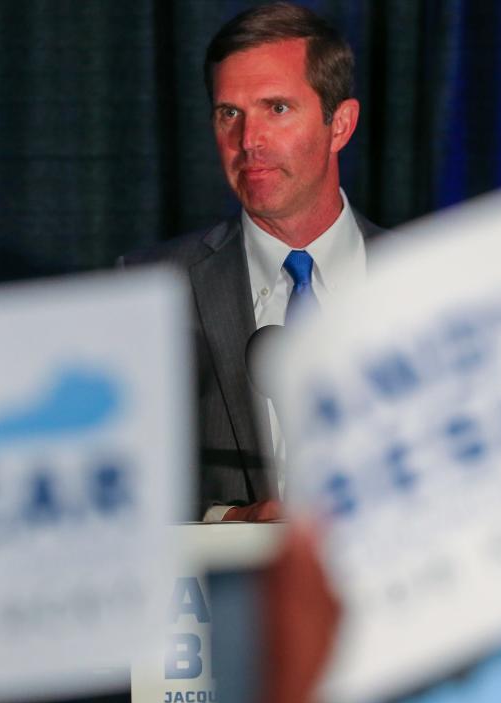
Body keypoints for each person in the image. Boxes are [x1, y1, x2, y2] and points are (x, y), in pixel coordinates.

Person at [121, 2, 382, 522]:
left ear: (341, 125)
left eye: (277, 109)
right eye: (229, 114)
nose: (248, 142)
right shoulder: (152, 289)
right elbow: (122, 491)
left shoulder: (423, 272)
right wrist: (230, 522)